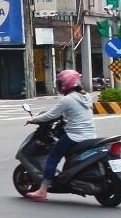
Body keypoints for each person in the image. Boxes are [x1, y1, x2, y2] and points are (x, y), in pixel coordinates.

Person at [24, 69, 96, 200]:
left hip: (75, 135)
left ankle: (43, 190)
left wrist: (33, 119)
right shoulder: (87, 97)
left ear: (65, 84)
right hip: (90, 135)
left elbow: (51, 115)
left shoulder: (67, 100)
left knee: (53, 157)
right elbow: (76, 114)